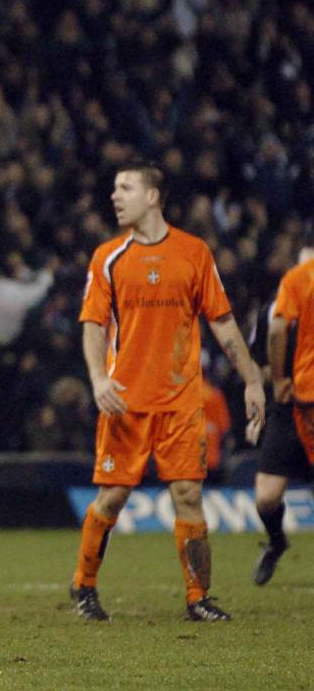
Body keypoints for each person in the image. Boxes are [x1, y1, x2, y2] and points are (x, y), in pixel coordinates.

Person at [71, 160, 264, 622]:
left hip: (180, 400)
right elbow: (93, 327)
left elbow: (222, 321)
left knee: (188, 496)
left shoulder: (194, 253)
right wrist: (99, 380)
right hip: (124, 401)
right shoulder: (107, 258)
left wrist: (253, 378)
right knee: (113, 499)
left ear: (152, 196)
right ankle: (84, 584)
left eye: (126, 187)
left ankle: (198, 598)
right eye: (114, 187)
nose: (115, 196)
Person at [264, 225, 314, 584]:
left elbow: (278, 330)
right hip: (290, 404)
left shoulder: (296, 281)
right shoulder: (292, 285)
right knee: (266, 499)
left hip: (303, 396)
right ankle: (276, 541)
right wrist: (275, 380)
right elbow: (270, 337)